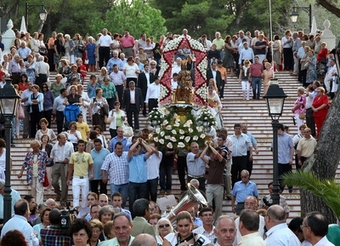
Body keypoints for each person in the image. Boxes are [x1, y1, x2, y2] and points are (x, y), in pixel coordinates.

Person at [18, 140, 49, 205]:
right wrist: (21, 172)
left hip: (40, 174)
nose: (35, 148)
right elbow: (24, 164)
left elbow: (48, 162)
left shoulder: (44, 154)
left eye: (36, 147)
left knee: (39, 189)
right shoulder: (29, 154)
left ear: (38, 146)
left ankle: (39, 204)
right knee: (33, 189)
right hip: (31, 174)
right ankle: (34, 204)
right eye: (33, 147)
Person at [200, 143, 226, 221]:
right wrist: (207, 147)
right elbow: (201, 156)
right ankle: (209, 220)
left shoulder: (222, 162)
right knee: (208, 204)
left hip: (218, 185)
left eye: (216, 154)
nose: (214, 155)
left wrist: (211, 147)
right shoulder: (210, 162)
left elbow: (217, 154)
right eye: (213, 154)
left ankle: (217, 222)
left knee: (218, 206)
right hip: (210, 185)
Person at [127, 137, 153, 217]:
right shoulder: (130, 158)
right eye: (134, 148)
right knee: (132, 201)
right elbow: (130, 150)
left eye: (137, 148)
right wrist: (137, 143)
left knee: (143, 201)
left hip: (143, 183)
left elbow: (150, 151)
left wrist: (142, 143)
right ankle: (133, 217)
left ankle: (143, 216)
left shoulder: (142, 157)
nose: (135, 150)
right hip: (133, 183)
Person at [102, 142, 129, 208]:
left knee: (123, 199)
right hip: (114, 182)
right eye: (118, 148)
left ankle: (122, 211)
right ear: (115, 149)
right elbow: (104, 168)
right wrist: (104, 176)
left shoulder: (126, 155)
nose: (120, 150)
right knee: (114, 200)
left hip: (125, 182)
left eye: (121, 148)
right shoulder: (109, 156)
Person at [67, 139, 94, 208]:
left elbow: (91, 166)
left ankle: (84, 210)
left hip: (85, 177)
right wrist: (68, 178)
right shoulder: (73, 155)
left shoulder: (88, 155)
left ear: (84, 146)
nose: (81, 147)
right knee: (76, 196)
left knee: (85, 196)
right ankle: (75, 210)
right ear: (77, 146)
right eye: (80, 145)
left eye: (82, 145)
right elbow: (70, 167)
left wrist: (92, 174)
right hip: (76, 177)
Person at [50, 133, 74, 203]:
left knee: (64, 183)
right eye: (63, 138)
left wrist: (68, 159)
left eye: (65, 137)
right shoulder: (55, 146)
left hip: (65, 164)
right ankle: (59, 194)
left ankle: (63, 200)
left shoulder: (70, 145)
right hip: (56, 164)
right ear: (59, 139)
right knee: (54, 182)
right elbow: (52, 155)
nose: (65, 139)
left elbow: (73, 155)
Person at [272, 123, 294, 193]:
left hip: (287, 159)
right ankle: (281, 187)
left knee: (289, 174)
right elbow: (273, 148)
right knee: (280, 175)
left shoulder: (288, 137)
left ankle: (290, 187)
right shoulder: (275, 137)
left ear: (280, 129)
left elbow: (292, 147)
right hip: (279, 159)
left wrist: (291, 158)